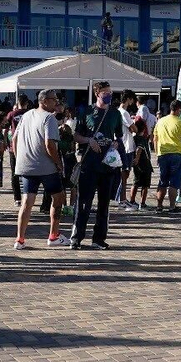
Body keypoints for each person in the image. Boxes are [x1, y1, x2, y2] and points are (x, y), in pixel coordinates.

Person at [69, 82, 124, 249]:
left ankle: (99, 238)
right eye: (105, 92)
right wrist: (89, 140)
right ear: (97, 93)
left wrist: (116, 143)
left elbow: (119, 136)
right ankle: (77, 238)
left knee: (104, 204)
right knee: (84, 202)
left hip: (107, 165)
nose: (109, 95)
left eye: (110, 92)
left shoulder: (115, 113)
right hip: (89, 164)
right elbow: (76, 136)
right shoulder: (86, 111)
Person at [11, 89, 67, 249]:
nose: (56, 103)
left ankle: (19, 239)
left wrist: (19, 158)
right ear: (43, 101)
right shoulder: (49, 118)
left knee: (27, 202)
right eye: (53, 99)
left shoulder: (26, 115)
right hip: (46, 166)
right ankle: (53, 235)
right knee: (58, 198)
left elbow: (14, 139)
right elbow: (50, 145)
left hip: (27, 166)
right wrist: (58, 163)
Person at [152, 100, 181, 213]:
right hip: (177, 154)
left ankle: (159, 206)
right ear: (179, 109)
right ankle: (172, 206)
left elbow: (155, 139)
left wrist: (157, 153)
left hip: (163, 154)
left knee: (162, 181)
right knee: (174, 182)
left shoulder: (160, 122)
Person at [129, 116, 153, 209]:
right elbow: (139, 148)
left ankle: (132, 200)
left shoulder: (134, 138)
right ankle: (142, 203)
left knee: (135, 182)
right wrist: (137, 158)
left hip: (137, 164)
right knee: (145, 185)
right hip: (145, 164)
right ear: (144, 128)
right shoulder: (142, 139)